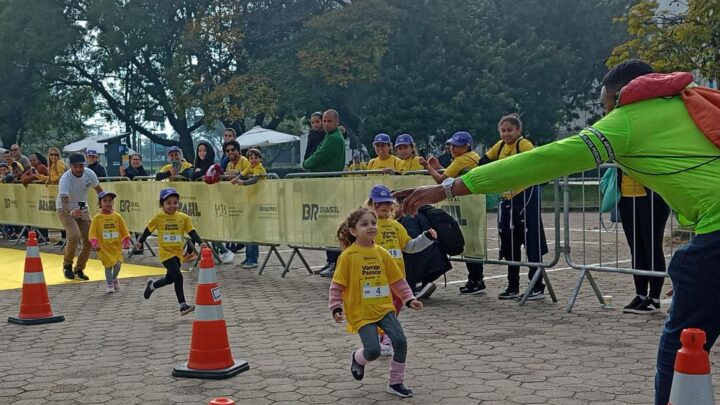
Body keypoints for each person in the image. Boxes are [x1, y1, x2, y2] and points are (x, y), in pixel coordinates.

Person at [396, 59, 720, 405]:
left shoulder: (628, 120)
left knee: (685, 343)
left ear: (619, 95)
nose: (604, 111)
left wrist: (449, 188)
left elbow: (547, 160)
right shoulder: (695, 100)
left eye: (603, 103)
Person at [328, 207, 423, 398]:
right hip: (361, 312)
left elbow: (397, 280)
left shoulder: (382, 252)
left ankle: (396, 383)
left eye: (373, 223)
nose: (371, 227)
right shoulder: (348, 256)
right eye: (364, 224)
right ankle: (357, 358)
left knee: (400, 342)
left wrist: (409, 298)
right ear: (353, 231)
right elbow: (337, 286)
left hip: (384, 308)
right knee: (373, 351)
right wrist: (336, 307)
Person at [479, 115, 548, 299]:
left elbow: (534, 160)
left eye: (510, 130)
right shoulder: (500, 146)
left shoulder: (523, 144)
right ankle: (513, 286)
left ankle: (537, 286)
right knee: (510, 243)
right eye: (503, 130)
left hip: (526, 196)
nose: (506, 134)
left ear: (518, 130)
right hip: (507, 198)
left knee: (531, 241)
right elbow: (484, 161)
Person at [365, 185, 436, 355]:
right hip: (375, 277)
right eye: (379, 203)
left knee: (395, 306)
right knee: (378, 308)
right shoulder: (367, 225)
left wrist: (426, 238)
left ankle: (385, 335)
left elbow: (409, 246)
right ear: (371, 203)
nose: (383, 206)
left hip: (396, 277)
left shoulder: (396, 226)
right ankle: (379, 336)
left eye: (387, 203)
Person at [420, 131, 487, 295]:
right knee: (471, 242)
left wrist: (428, 167)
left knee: (470, 242)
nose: (452, 148)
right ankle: (475, 279)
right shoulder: (470, 157)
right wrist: (438, 168)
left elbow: (441, 181)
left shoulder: (464, 159)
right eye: (451, 145)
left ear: (466, 146)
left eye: (457, 146)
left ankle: (476, 280)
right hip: (472, 204)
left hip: (470, 204)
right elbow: (449, 175)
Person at [137, 188, 203, 316]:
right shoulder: (158, 218)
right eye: (168, 203)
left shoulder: (183, 218)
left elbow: (191, 232)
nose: (172, 205)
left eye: (175, 202)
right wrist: (140, 241)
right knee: (178, 276)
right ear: (162, 204)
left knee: (170, 279)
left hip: (178, 253)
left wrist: (201, 242)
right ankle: (182, 305)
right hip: (166, 253)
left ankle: (152, 286)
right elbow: (148, 230)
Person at [618, 169, 671, 314]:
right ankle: (640, 295)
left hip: (652, 198)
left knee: (652, 247)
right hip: (626, 197)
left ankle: (654, 298)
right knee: (635, 248)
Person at [302, 109, 346, 276]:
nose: (325, 124)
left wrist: (306, 163)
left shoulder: (334, 138)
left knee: (330, 224)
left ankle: (336, 261)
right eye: (324, 121)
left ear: (336, 122)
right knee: (325, 224)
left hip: (328, 186)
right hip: (323, 185)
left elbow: (315, 158)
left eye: (329, 121)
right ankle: (330, 260)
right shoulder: (329, 136)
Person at [56, 153, 103, 280]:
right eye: (75, 166)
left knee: (90, 239)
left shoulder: (90, 173)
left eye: (81, 166)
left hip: (83, 208)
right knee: (74, 235)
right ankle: (67, 265)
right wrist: (71, 212)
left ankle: (79, 269)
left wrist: (105, 201)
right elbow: (64, 201)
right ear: (70, 166)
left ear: (84, 165)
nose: (78, 169)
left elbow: (99, 190)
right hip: (65, 208)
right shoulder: (65, 179)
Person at [229, 148, 267, 268]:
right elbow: (243, 174)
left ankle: (253, 259)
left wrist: (242, 183)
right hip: (250, 201)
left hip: (258, 202)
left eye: (256, 158)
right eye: (251, 158)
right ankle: (248, 257)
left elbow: (254, 180)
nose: (253, 160)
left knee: (253, 231)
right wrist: (236, 179)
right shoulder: (250, 166)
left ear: (260, 159)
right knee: (248, 230)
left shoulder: (259, 167)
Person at [89, 191, 131, 293]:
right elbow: (92, 233)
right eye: (105, 201)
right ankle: (109, 283)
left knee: (118, 265)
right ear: (100, 203)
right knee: (108, 266)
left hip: (116, 248)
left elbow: (124, 229)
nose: (108, 203)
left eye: (110, 201)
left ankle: (114, 278)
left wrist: (126, 241)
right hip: (104, 248)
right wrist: (95, 244)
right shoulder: (97, 218)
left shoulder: (117, 216)